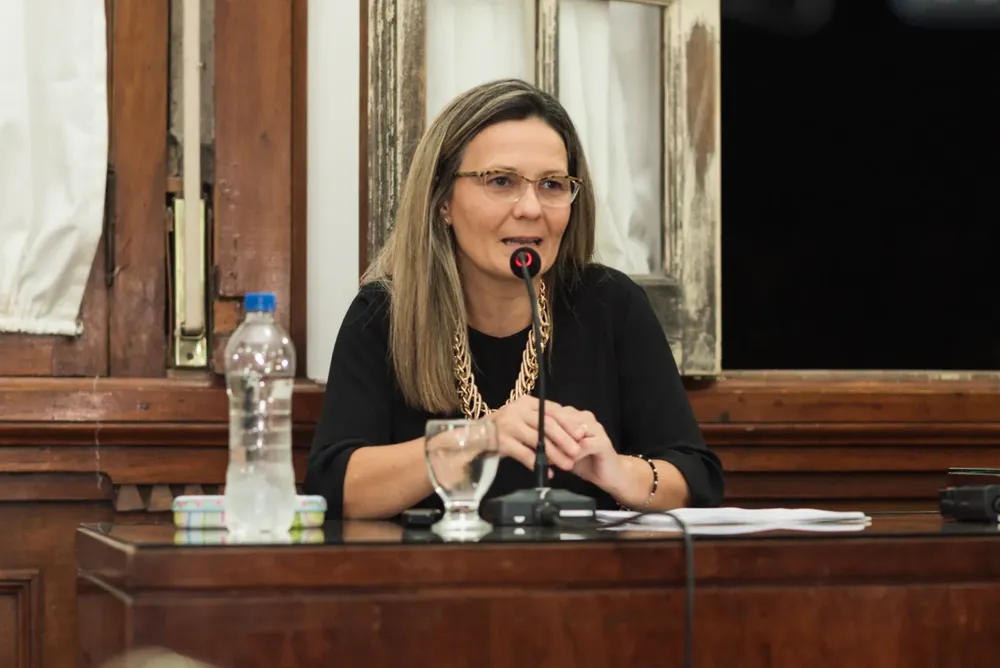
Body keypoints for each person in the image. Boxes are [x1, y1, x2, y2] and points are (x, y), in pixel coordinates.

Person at [305, 78, 724, 519]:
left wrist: (618, 472)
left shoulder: (610, 305)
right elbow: (334, 489)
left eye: (552, 185)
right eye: (501, 181)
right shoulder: (384, 313)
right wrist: (480, 438)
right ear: (442, 201)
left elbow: (696, 480)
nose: (530, 208)